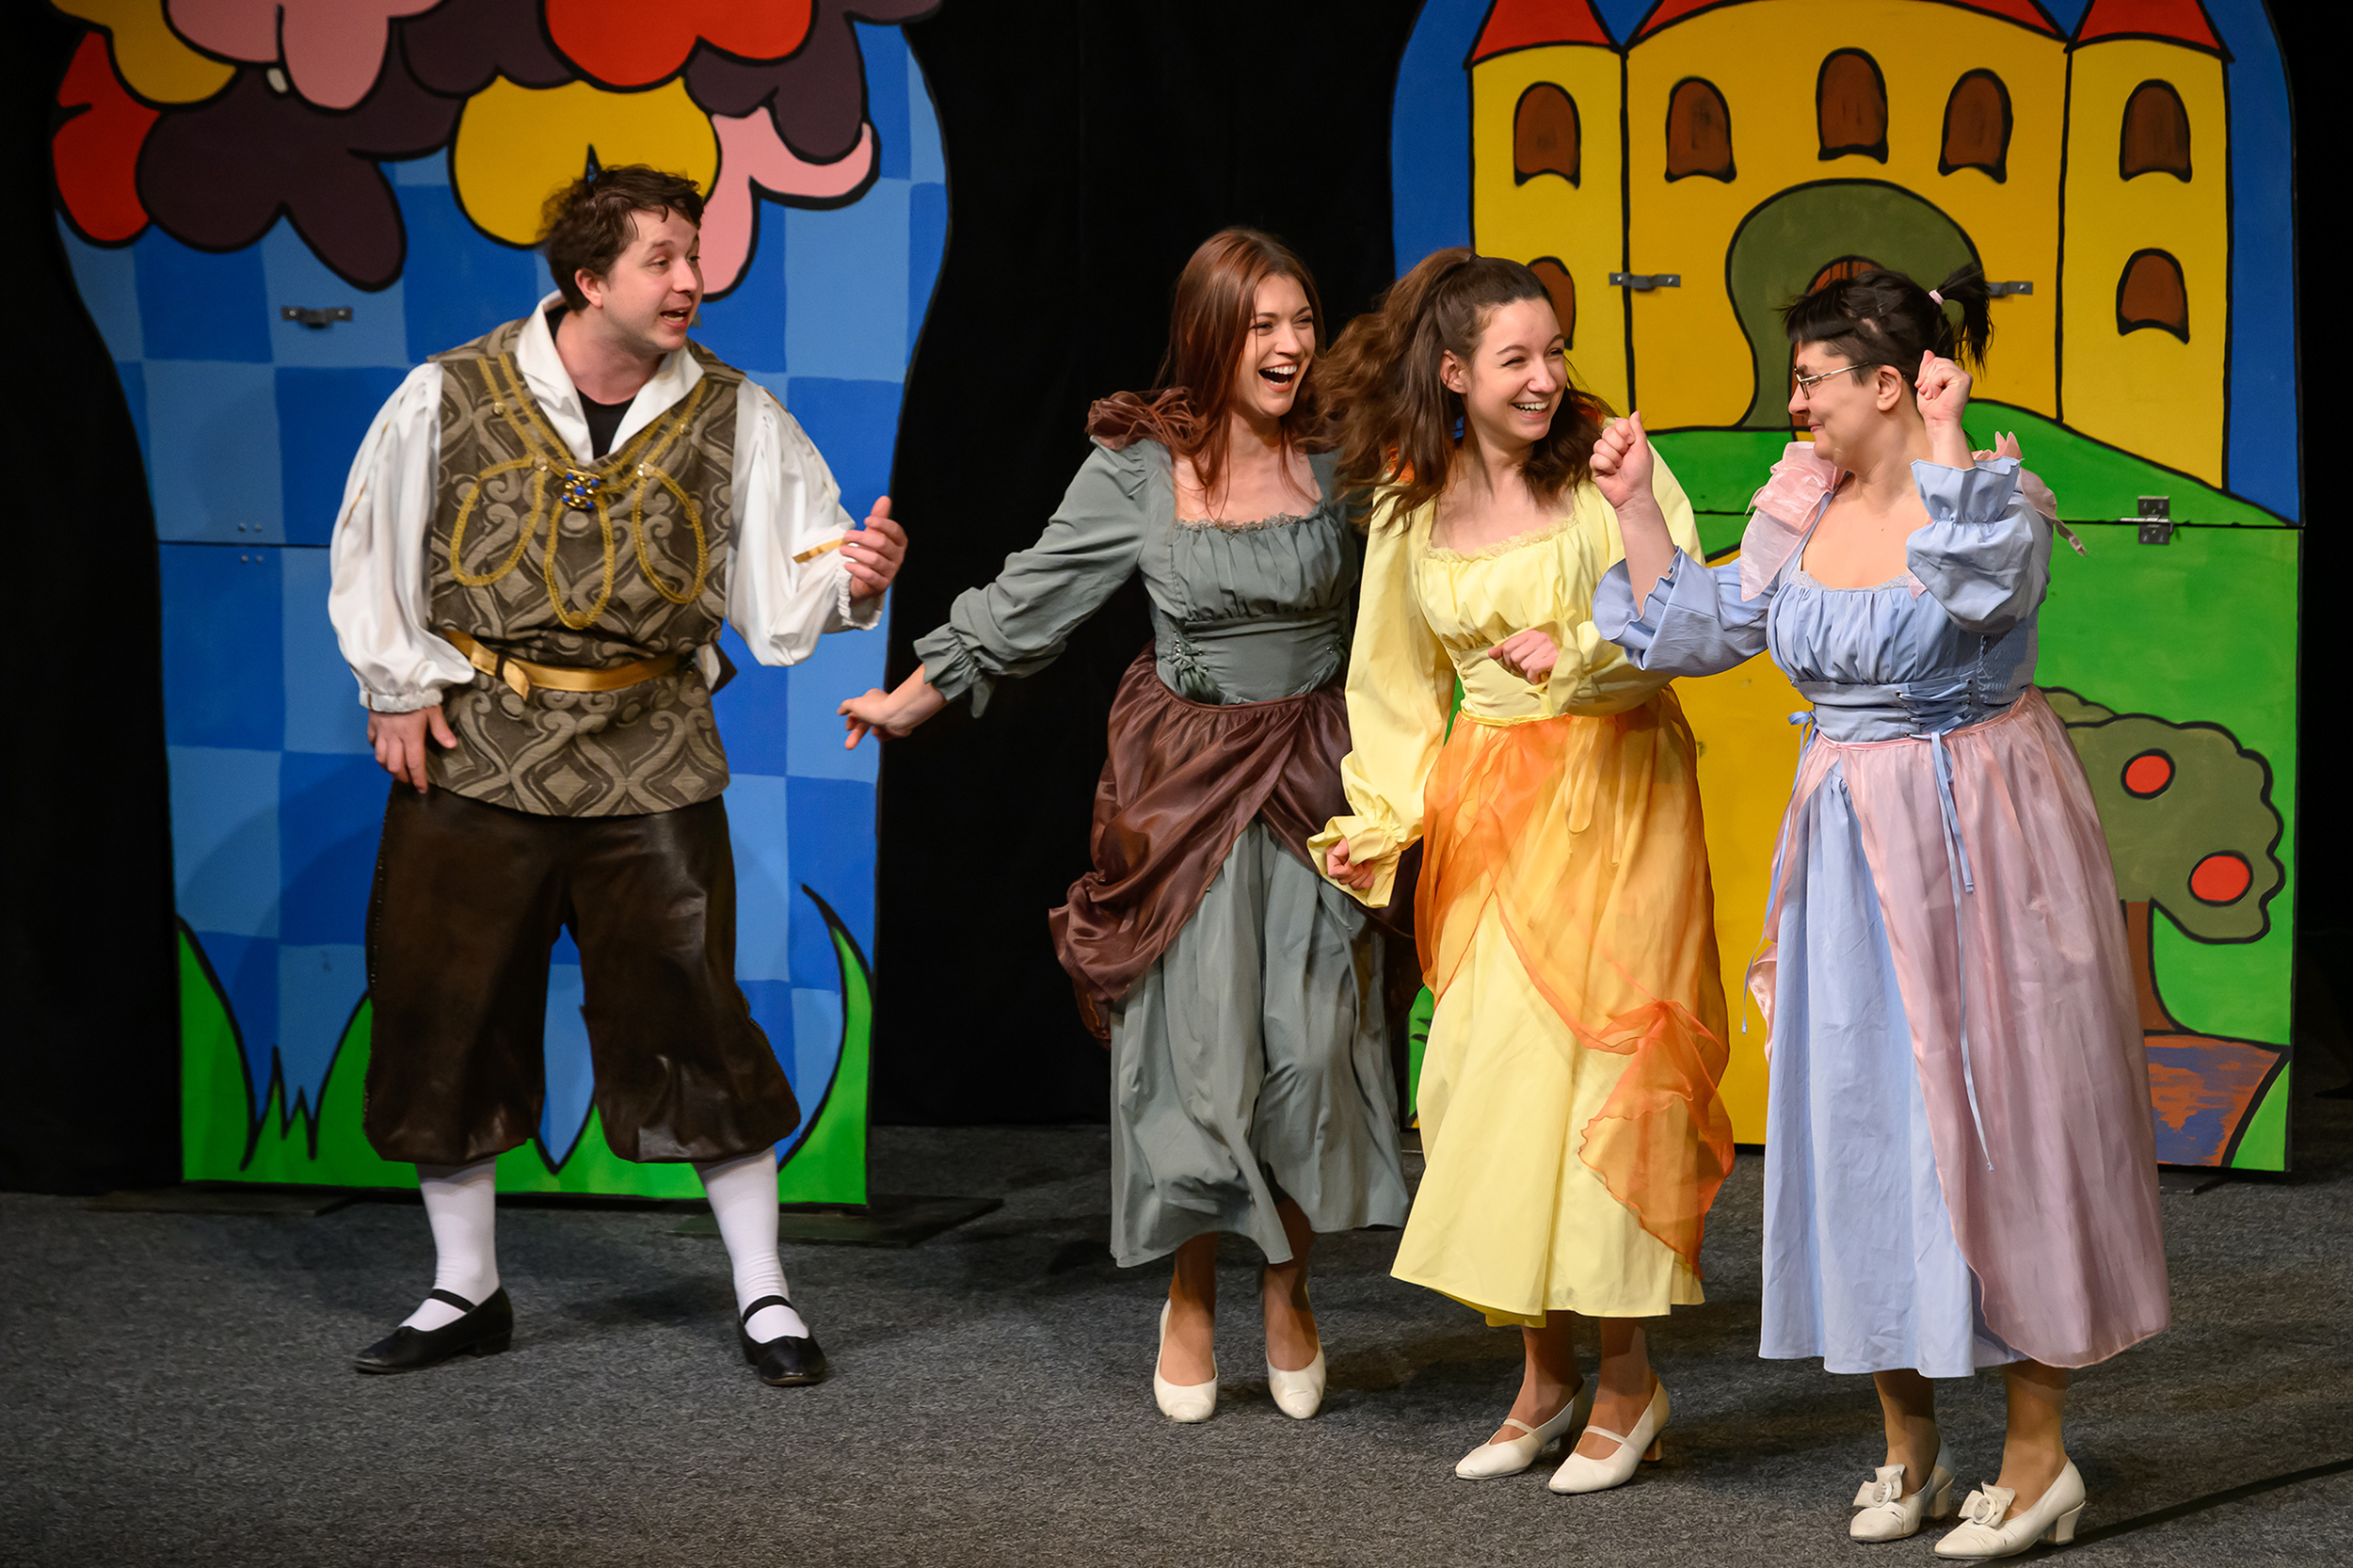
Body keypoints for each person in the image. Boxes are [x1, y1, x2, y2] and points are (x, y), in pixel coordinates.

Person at [1593, 264, 2169, 1558]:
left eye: (1812, 381)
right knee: (1859, 1119)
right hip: (1849, 849)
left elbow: (1984, 592)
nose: (1794, 405)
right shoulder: (1803, 498)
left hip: (1982, 840)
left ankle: (2038, 1459)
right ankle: (1908, 1439)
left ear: (1891, 385)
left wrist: (1952, 443)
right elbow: (1706, 629)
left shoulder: (1995, 495)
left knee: (2007, 1119)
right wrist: (1633, 508)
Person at [328, 165, 907, 1386]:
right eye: (663, 259)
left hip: (650, 746)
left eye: (694, 254)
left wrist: (854, 576)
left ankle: (765, 1291)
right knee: (447, 1005)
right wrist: (394, 685)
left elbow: (789, 591)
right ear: (590, 280)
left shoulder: (735, 414)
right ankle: (464, 1286)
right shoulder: (451, 392)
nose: (692, 279)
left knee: (691, 1007)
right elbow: (374, 537)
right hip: (480, 744)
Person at [839, 229, 1408, 1423]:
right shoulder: (1140, 471)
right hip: (1186, 789)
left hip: (1314, 781)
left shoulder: (1343, 453)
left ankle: (1289, 1287)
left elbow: (1429, 582)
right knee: (1198, 1064)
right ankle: (1191, 1293)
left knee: (1311, 1054)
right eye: (1261, 325)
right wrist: (911, 697)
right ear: (1208, 336)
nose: (1290, 345)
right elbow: (1031, 596)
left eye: (1301, 321)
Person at [1310, 251, 1732, 1493]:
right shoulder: (1412, 503)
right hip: (1491, 810)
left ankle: (1628, 1381)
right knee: (1495, 1083)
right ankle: (1543, 1376)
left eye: (1554, 352)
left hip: (1620, 792)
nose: (1547, 377)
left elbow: (1682, 617)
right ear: (1453, 373)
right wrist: (1383, 815)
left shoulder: (1611, 465)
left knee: (1607, 1071)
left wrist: (1583, 646)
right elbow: (1391, 676)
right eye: (1516, 359)